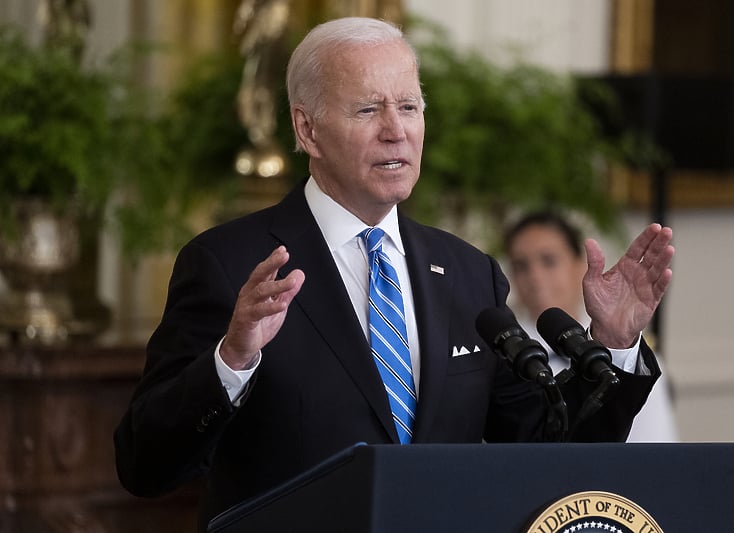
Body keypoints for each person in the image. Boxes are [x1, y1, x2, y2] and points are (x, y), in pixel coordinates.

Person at [113, 17, 675, 530]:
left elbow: (548, 452)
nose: (395, 130)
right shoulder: (229, 265)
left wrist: (615, 344)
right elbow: (145, 464)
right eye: (368, 110)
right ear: (307, 131)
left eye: (408, 107)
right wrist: (231, 362)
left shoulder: (466, 272)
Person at [504, 211, 679, 442]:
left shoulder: (628, 353)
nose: (535, 276)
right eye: (521, 266)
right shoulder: (502, 354)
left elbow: (655, 447)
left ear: (579, 265)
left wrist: (616, 344)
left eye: (549, 261)